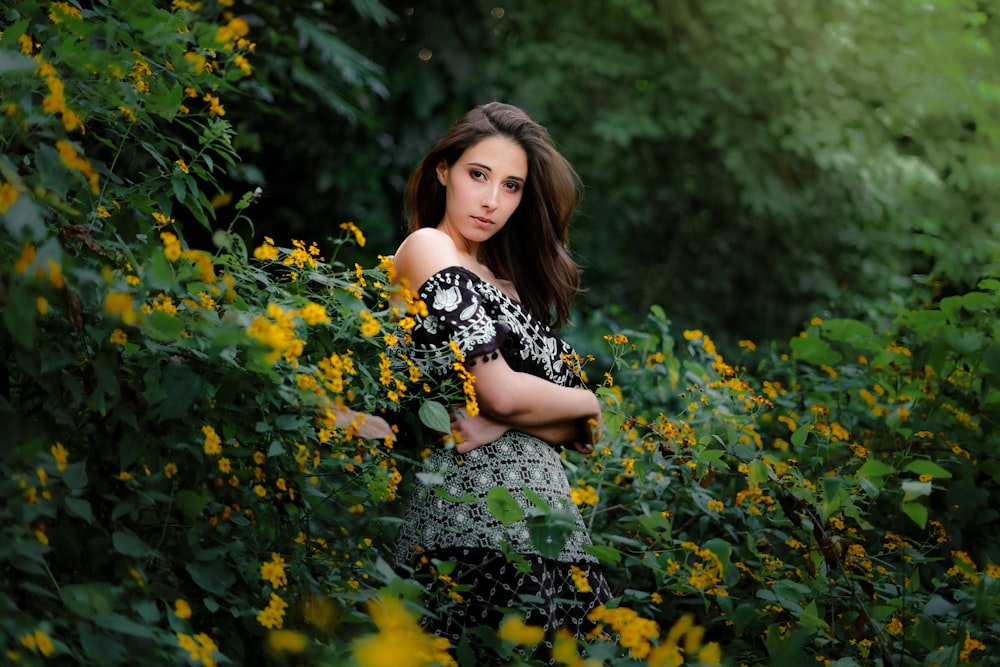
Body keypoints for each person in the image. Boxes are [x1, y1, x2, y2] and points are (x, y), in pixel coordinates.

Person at [390, 102, 612, 654]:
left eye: (511, 186)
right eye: (478, 175)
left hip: (555, 529)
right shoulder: (427, 249)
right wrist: (585, 399)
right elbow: (504, 392)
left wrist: (521, 418)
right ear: (444, 171)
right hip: (470, 523)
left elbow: (578, 436)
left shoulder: (512, 286)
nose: (492, 201)